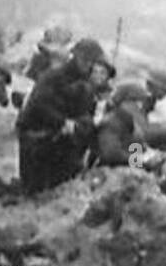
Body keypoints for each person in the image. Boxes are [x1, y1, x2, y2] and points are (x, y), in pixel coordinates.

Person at [15, 37, 115, 194]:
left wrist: (80, 124)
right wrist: (62, 122)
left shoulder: (87, 87)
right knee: (33, 189)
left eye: (91, 61)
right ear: (76, 57)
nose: (88, 65)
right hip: (35, 138)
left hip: (62, 143)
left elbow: (86, 115)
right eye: (85, 60)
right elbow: (38, 104)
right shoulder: (53, 77)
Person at [90, 81, 152, 167]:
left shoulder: (132, 126)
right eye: (134, 102)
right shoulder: (111, 123)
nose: (138, 108)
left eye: (141, 104)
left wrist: (147, 160)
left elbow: (137, 149)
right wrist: (141, 160)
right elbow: (110, 154)